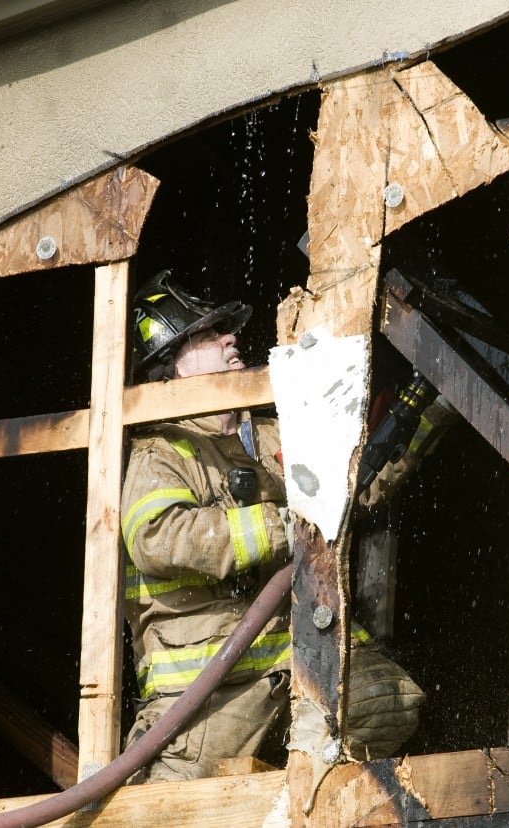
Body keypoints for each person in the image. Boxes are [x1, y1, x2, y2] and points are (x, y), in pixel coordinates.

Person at [121, 269, 456, 782]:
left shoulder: (277, 435)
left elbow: (354, 487)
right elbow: (159, 537)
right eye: (208, 333)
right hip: (206, 702)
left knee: (391, 704)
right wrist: (286, 524)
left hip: (297, 668)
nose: (230, 338)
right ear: (171, 364)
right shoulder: (161, 453)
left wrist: (440, 399)